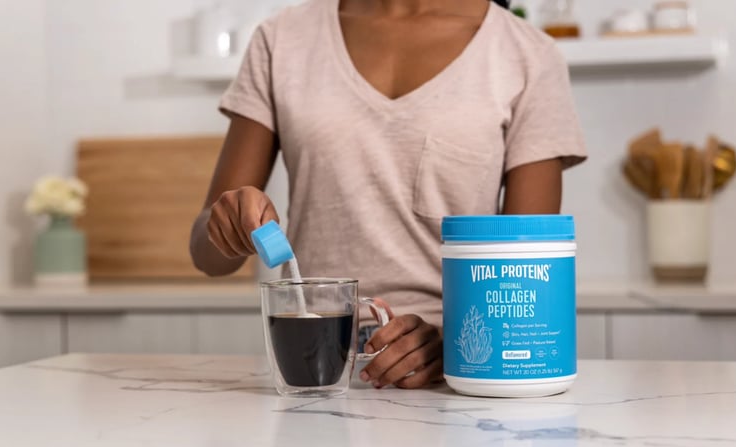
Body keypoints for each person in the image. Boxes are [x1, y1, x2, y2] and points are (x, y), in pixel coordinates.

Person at [190, 0, 586, 390]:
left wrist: (451, 343)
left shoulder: (528, 53)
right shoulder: (282, 39)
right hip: (315, 366)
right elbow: (207, 254)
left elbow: (531, 276)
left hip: (457, 377)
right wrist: (227, 224)